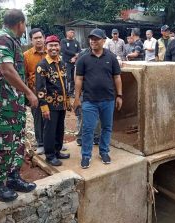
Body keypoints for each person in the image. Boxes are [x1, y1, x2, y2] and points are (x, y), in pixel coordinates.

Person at [0, 9, 37, 202]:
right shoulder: (1, 40)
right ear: (20, 24)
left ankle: (12, 177)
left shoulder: (12, 40)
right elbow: (7, 71)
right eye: (25, 25)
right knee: (4, 144)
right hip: (3, 102)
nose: (25, 28)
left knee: (17, 142)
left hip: (14, 102)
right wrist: (29, 92)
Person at [74, 28, 122, 169]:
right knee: (88, 128)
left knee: (107, 127)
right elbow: (79, 79)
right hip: (89, 100)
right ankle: (86, 155)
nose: (93, 41)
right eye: (91, 39)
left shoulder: (111, 58)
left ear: (103, 40)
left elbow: (117, 77)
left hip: (108, 99)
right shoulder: (83, 59)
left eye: (96, 39)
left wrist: (119, 95)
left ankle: (104, 151)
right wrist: (77, 98)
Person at [35, 35, 71, 166]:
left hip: (61, 104)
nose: (54, 48)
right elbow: (40, 88)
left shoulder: (62, 63)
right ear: (46, 47)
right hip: (50, 105)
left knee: (59, 128)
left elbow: (65, 83)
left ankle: (57, 151)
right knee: (49, 130)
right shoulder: (42, 65)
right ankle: (49, 156)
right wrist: (44, 107)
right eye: (51, 46)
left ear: (59, 47)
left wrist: (67, 100)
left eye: (56, 45)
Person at [23, 28, 46, 155]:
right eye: (35, 38)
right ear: (31, 40)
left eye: (40, 37)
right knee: (38, 118)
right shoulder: (26, 56)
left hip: (51, 93)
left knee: (53, 118)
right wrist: (28, 94)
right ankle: (41, 143)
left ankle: (54, 142)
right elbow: (24, 76)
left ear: (44, 38)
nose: (38, 40)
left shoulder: (51, 52)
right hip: (35, 93)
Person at [60, 29, 81, 97]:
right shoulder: (63, 41)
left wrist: (75, 58)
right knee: (66, 77)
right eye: (71, 32)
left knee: (73, 78)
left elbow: (80, 51)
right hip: (66, 62)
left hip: (74, 63)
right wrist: (75, 54)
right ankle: (65, 91)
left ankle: (71, 92)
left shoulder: (76, 42)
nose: (73, 33)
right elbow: (64, 50)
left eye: (73, 32)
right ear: (67, 33)